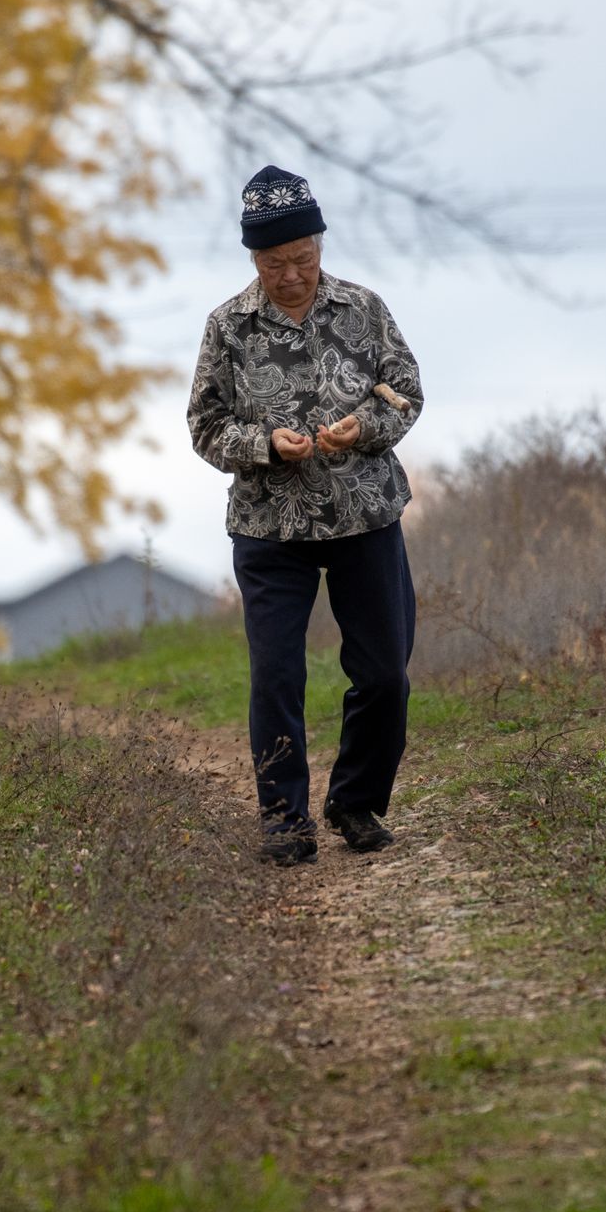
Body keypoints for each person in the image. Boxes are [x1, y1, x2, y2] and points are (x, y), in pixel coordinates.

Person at [186, 165, 424, 865]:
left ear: (319, 245)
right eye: (273, 262)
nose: (290, 275)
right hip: (270, 529)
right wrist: (262, 445)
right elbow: (204, 426)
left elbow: (405, 393)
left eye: (302, 259)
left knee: (385, 674)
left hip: (366, 516)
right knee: (278, 676)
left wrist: (366, 429)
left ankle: (355, 802)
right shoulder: (227, 327)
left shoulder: (364, 309)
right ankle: (285, 819)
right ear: (253, 259)